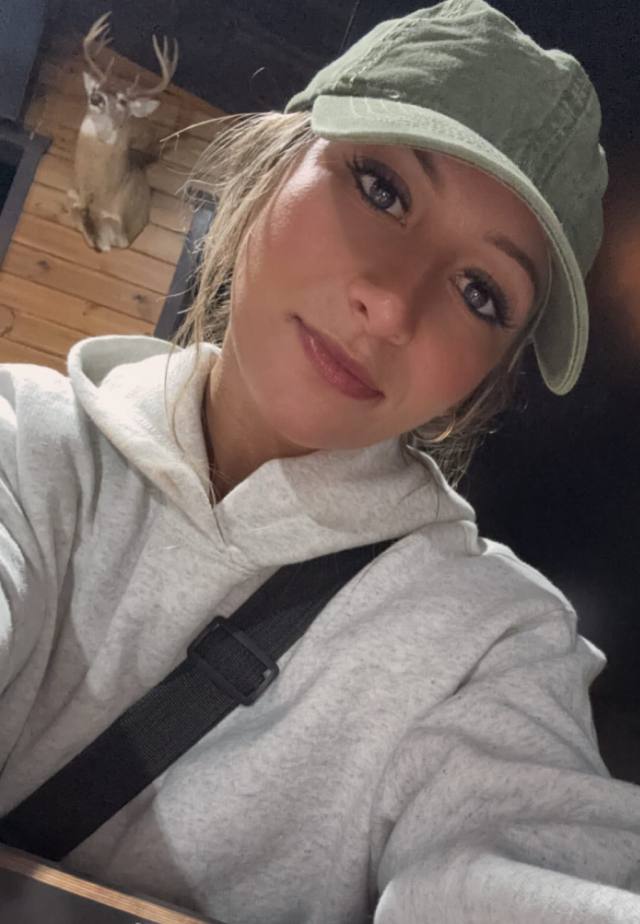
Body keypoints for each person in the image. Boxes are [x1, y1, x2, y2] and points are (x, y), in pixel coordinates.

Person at [1, 0, 640, 921]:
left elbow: (533, 863)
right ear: (271, 166)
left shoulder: (495, 645)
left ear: (483, 380)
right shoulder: (25, 437)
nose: (393, 303)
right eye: (382, 188)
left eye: (480, 292)